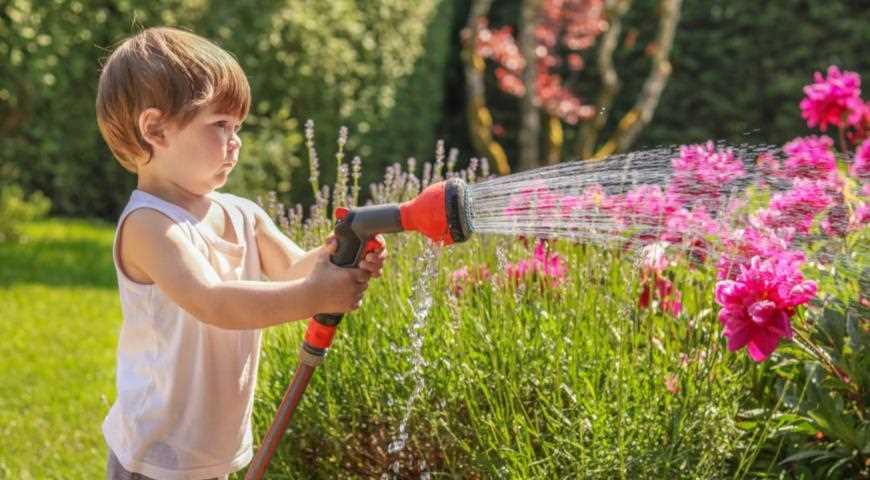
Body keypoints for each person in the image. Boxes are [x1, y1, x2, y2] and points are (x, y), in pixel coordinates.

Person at [95, 26, 387, 480]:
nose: (236, 141)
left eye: (238, 127)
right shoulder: (149, 226)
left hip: (212, 445)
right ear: (155, 129)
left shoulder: (243, 214)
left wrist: (339, 254)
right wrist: (316, 296)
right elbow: (213, 302)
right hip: (157, 456)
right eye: (220, 125)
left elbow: (294, 269)